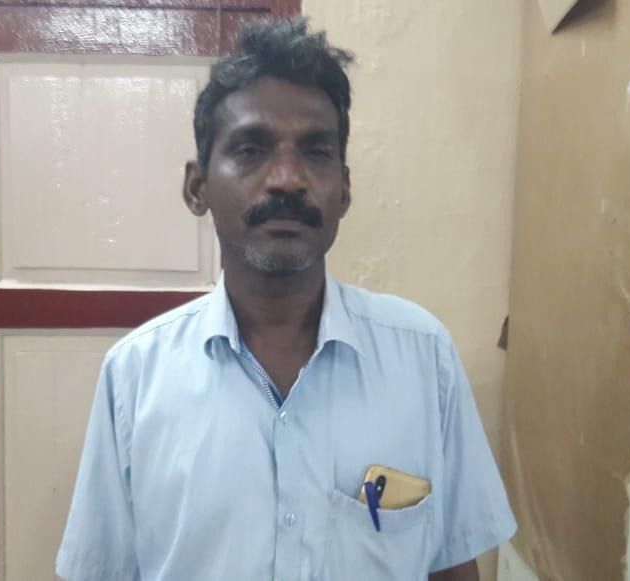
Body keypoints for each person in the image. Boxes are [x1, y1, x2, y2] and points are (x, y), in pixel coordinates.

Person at [56, 17, 515, 581]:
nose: (288, 179)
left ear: (344, 189)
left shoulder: (423, 358)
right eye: (251, 149)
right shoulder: (135, 377)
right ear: (197, 187)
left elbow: (453, 565)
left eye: (316, 152)